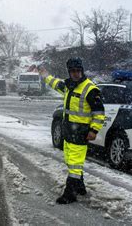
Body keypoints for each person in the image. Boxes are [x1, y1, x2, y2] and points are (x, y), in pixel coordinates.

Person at [39, 58, 105, 204]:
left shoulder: (90, 89)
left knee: (75, 163)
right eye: (72, 71)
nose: (75, 74)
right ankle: (80, 186)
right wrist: (45, 76)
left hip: (80, 132)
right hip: (69, 131)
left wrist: (94, 130)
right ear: (69, 72)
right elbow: (56, 84)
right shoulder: (69, 86)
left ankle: (70, 194)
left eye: (78, 71)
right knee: (70, 160)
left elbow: (99, 113)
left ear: (82, 70)